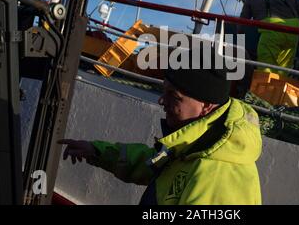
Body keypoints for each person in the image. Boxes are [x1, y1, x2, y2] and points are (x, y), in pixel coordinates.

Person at [59, 47, 263, 205]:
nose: (161, 101)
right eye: (164, 91)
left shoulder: (220, 177)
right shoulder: (194, 143)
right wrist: (97, 151)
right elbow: (151, 162)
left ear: (206, 106)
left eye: (173, 96)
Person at [239, 0, 299, 75]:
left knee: (265, 69)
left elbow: (243, 21)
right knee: (282, 71)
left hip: (271, 31)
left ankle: (262, 89)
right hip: (293, 32)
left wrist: (239, 36)